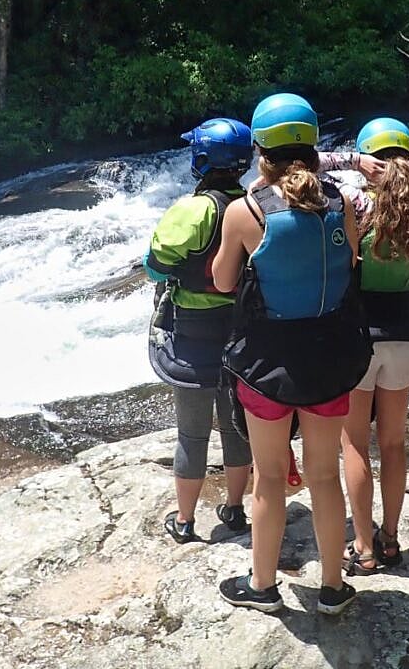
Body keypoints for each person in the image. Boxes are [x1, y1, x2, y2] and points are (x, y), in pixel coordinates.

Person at [214, 93, 372, 615]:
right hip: (328, 358)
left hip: (265, 365)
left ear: (262, 152)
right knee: (325, 477)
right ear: (312, 147)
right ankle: (333, 587)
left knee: (270, 478)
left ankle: (263, 587)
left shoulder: (245, 210)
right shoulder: (341, 202)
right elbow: (349, 261)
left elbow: (222, 281)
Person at [316, 118, 409, 573]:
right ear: (408, 155)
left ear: (369, 161)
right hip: (405, 339)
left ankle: (362, 547)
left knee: (355, 446)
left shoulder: (356, 201)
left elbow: (304, 166)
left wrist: (353, 161)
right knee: (395, 445)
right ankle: (390, 539)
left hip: (357, 340)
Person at [144, 118, 254, 544]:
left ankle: (186, 521)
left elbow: (155, 264)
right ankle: (235, 509)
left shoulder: (190, 211)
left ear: (202, 160)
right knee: (235, 429)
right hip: (242, 339)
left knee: (192, 434)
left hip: (191, 338)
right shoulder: (255, 207)